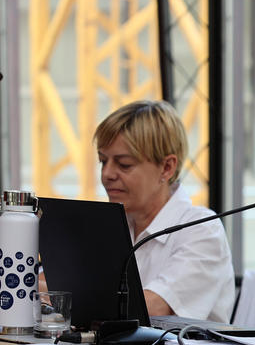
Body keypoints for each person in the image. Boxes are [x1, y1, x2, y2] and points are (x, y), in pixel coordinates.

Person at [94, 100, 234, 322]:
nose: (107, 174)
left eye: (124, 164)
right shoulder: (110, 225)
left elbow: (153, 307)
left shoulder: (203, 229)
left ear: (167, 167)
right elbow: (48, 282)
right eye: (103, 161)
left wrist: (69, 295)